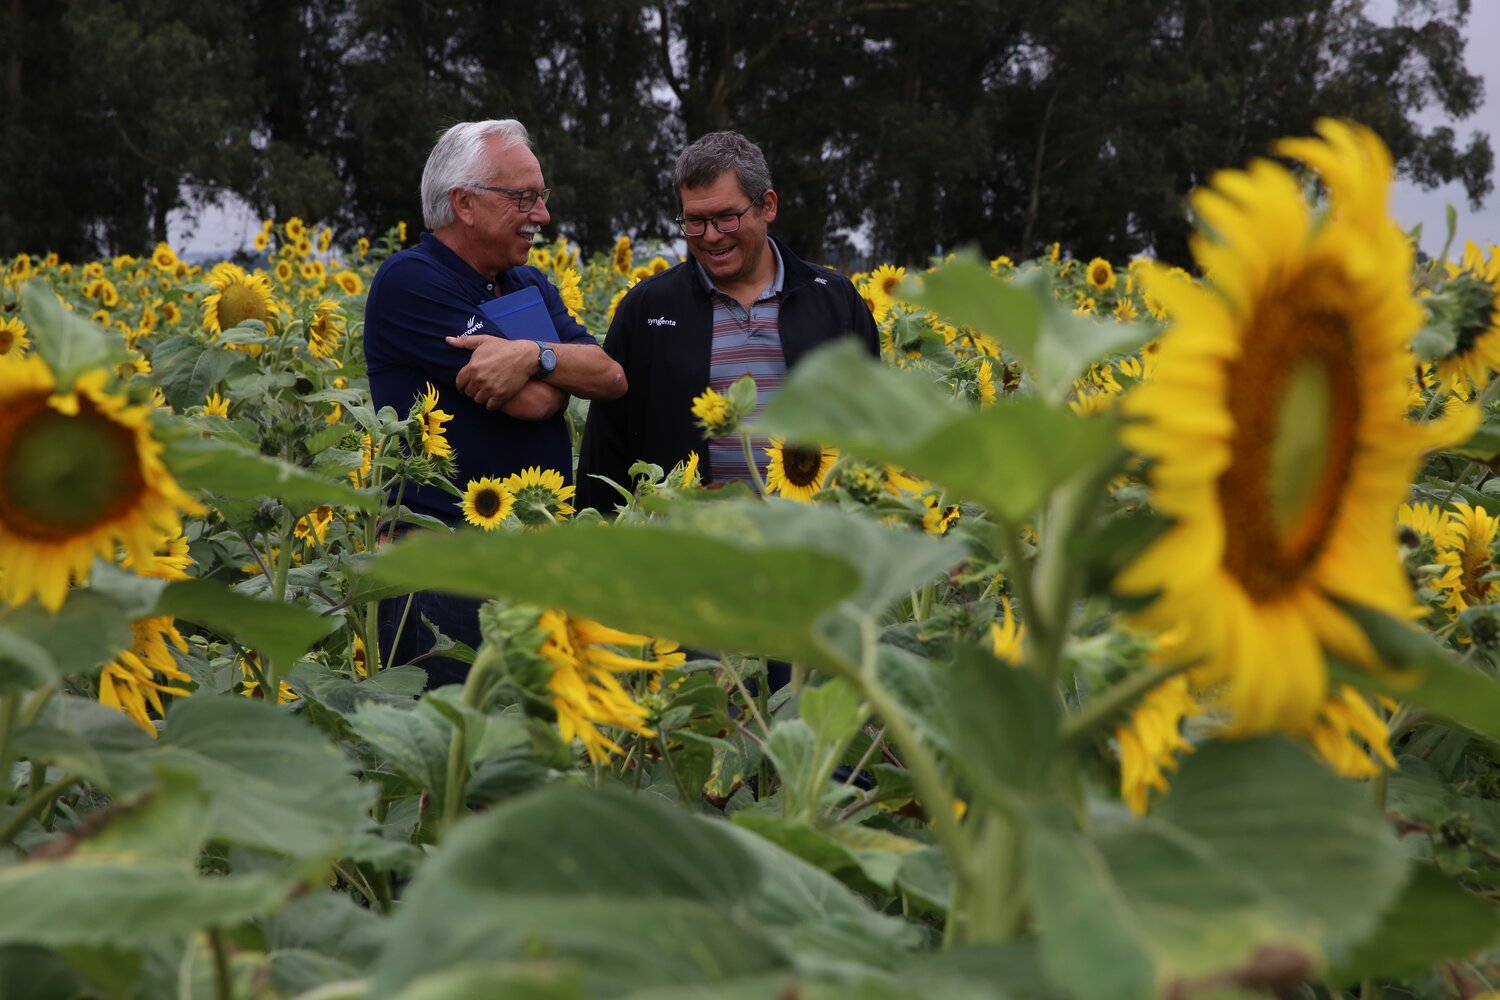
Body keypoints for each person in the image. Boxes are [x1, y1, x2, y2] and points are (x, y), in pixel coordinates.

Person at [364, 118, 625, 685]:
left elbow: (607, 375)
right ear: (465, 203)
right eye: (523, 198)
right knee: (450, 744)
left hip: (528, 557)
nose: (542, 216)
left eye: (541, 196)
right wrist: (556, 371)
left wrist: (534, 354)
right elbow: (533, 405)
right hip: (443, 569)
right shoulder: (412, 280)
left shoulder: (525, 284)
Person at [575, 131, 879, 514]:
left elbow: (876, 426)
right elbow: (608, 442)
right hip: (690, 549)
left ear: (767, 206)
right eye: (695, 221)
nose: (711, 236)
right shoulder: (647, 308)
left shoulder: (835, 300)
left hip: (813, 545)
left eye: (726, 218)